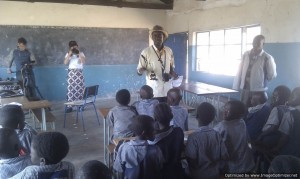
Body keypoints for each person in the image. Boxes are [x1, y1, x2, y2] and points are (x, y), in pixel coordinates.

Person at [113, 115, 164, 179]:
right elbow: (160, 168)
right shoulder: (156, 150)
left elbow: (118, 169)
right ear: (144, 133)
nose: (155, 132)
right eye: (153, 130)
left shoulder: (124, 148)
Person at [185, 102, 228, 179]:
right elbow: (225, 155)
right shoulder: (217, 134)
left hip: (197, 175)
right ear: (212, 118)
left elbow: (191, 160)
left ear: (197, 116)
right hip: (214, 174)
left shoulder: (193, 137)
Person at [233, 35, 277, 107]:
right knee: (243, 107)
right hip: (245, 88)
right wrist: (237, 84)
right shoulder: (246, 54)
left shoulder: (267, 58)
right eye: (254, 43)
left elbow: (272, 75)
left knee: (256, 109)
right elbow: (240, 69)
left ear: (263, 44)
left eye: (258, 43)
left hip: (258, 90)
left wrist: (262, 79)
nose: (255, 45)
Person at [137, 25, 178, 102]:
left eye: (160, 35)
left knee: (167, 111)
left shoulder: (169, 51)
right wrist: (141, 70)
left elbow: (171, 67)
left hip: (167, 90)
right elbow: (138, 72)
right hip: (153, 91)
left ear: (163, 37)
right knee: (155, 112)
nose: (157, 38)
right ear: (152, 38)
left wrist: (173, 74)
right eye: (155, 36)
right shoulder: (146, 52)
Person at [10, 131, 75, 179]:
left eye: (32, 153)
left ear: (42, 161)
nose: (30, 154)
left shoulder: (31, 171)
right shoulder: (69, 166)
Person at [214, 100, 255, 173]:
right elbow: (248, 141)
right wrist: (250, 149)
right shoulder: (242, 122)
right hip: (248, 165)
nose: (224, 112)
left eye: (228, 111)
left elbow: (211, 138)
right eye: (225, 109)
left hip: (232, 169)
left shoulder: (223, 126)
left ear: (237, 114)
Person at [150, 103, 184, 179]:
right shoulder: (179, 131)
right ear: (171, 116)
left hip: (161, 173)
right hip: (177, 171)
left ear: (155, 118)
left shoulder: (153, 140)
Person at [273, 87, 300, 158]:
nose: (289, 98)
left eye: (292, 96)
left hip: (293, 153)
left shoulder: (290, 114)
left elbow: (284, 137)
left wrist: (276, 148)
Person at [64, 40, 86, 113]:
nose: (74, 47)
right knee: (70, 90)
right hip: (71, 73)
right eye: (72, 46)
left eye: (75, 46)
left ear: (77, 46)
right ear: (70, 47)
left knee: (80, 89)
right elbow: (65, 63)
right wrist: (70, 53)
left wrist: (78, 53)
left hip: (79, 73)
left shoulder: (81, 53)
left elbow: (83, 62)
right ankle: (70, 106)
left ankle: (80, 105)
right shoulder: (68, 54)